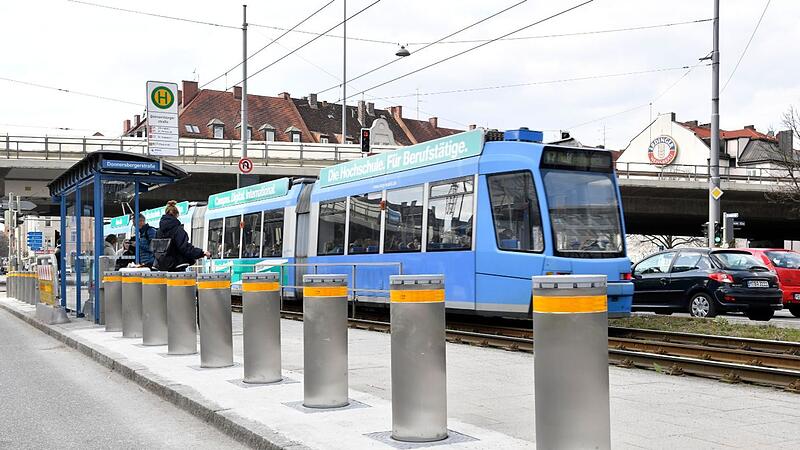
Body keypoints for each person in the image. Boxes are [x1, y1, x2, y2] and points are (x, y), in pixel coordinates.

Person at [153, 200, 210, 272]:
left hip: (161, 267)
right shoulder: (178, 230)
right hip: (176, 267)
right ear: (177, 215)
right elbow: (185, 248)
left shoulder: (158, 231)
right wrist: (201, 253)